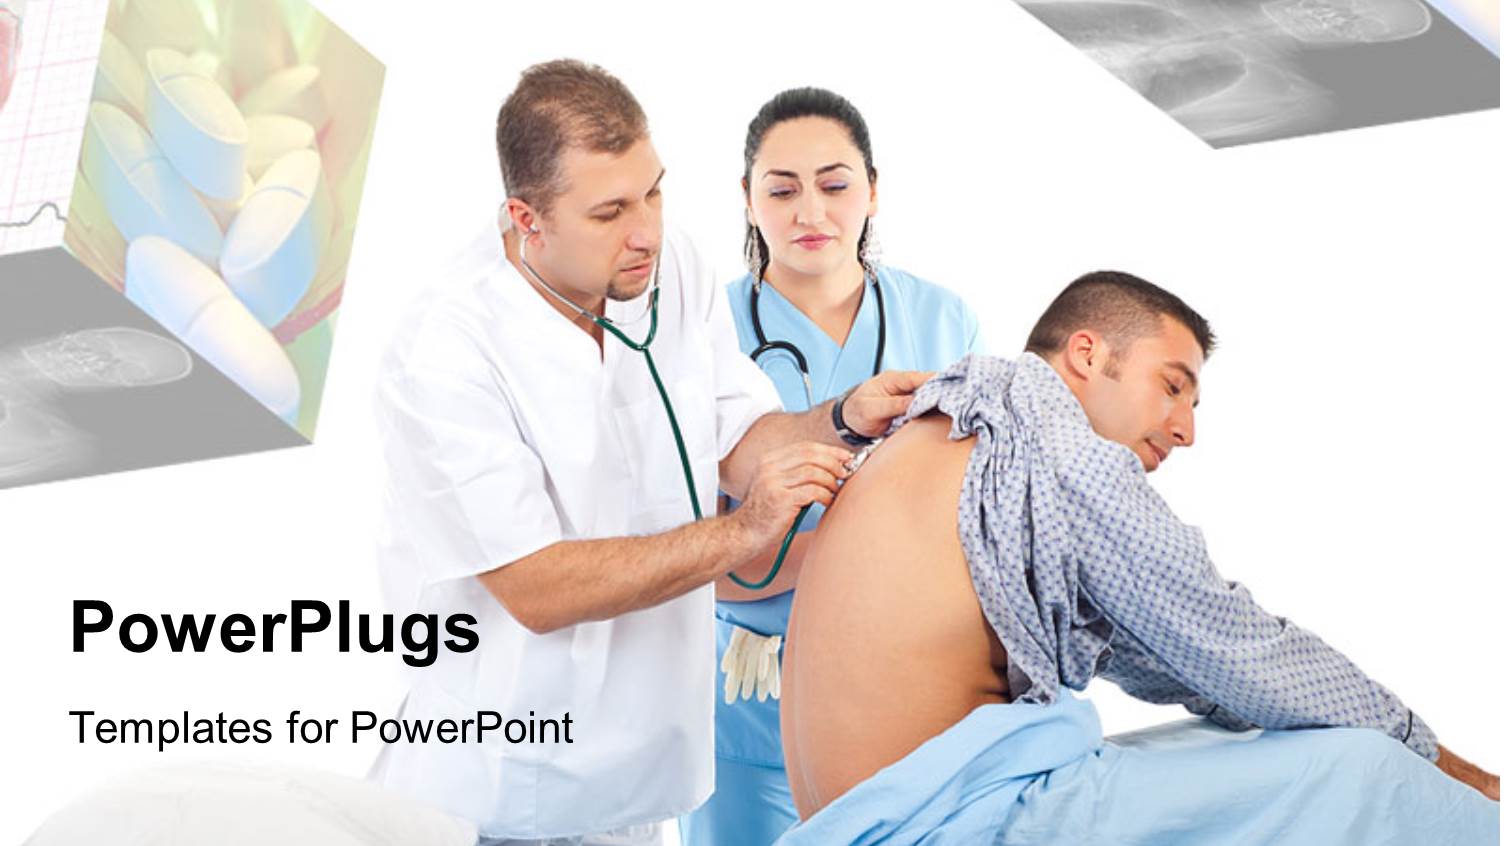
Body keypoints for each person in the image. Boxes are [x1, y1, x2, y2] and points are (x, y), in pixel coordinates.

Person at [369, 60, 928, 846]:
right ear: (527, 219)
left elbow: (738, 437)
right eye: (609, 212)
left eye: (653, 193)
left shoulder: (668, 269)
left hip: (639, 783)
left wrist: (843, 418)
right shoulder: (446, 351)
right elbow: (537, 586)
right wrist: (745, 531)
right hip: (502, 790)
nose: (647, 233)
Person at [776, 271, 1500, 843]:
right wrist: (1441, 762)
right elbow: (1237, 645)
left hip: (862, 820)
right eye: (1172, 386)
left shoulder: (961, 425)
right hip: (959, 823)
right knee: (1364, 771)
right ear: (1087, 354)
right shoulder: (1055, 445)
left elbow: (1173, 660)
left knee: (1240, 737)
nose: (1185, 430)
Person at [678, 88, 983, 846]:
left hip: (908, 688)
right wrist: (850, 551)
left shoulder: (943, 321)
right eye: (782, 190)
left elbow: (975, 516)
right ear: (748, 199)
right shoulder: (700, 336)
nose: (810, 212)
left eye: (835, 184)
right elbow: (679, 551)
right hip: (747, 698)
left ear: (872, 191)